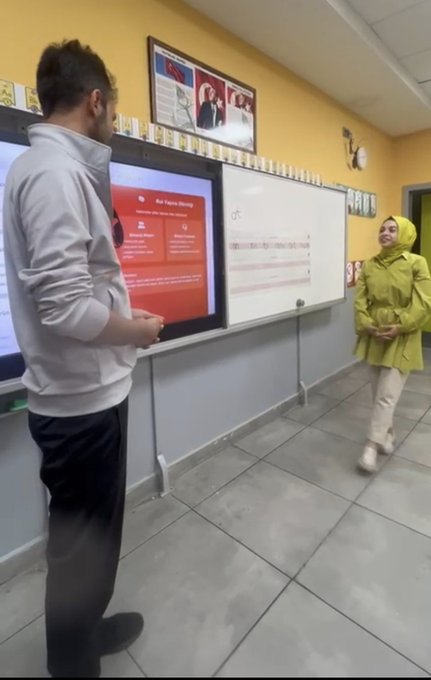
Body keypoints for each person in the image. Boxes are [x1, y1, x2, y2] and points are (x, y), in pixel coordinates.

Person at [3, 40, 164, 677]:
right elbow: (66, 310)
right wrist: (136, 331)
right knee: (79, 553)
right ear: (96, 102)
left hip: (92, 397)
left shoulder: (58, 171)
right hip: (79, 411)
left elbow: (80, 286)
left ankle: (86, 633)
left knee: (94, 547)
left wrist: (124, 326)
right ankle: (71, 665)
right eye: (116, 111)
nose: (116, 126)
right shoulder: (51, 174)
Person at [354, 216, 431, 473]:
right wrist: (366, 323)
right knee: (378, 393)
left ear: (406, 234)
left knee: (387, 395)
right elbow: (360, 300)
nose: (385, 232)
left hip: (402, 336)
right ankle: (387, 434)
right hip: (374, 334)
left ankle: (370, 446)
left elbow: (424, 302)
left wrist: (402, 325)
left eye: (392, 229)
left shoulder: (417, 263)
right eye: (382, 229)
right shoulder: (370, 265)